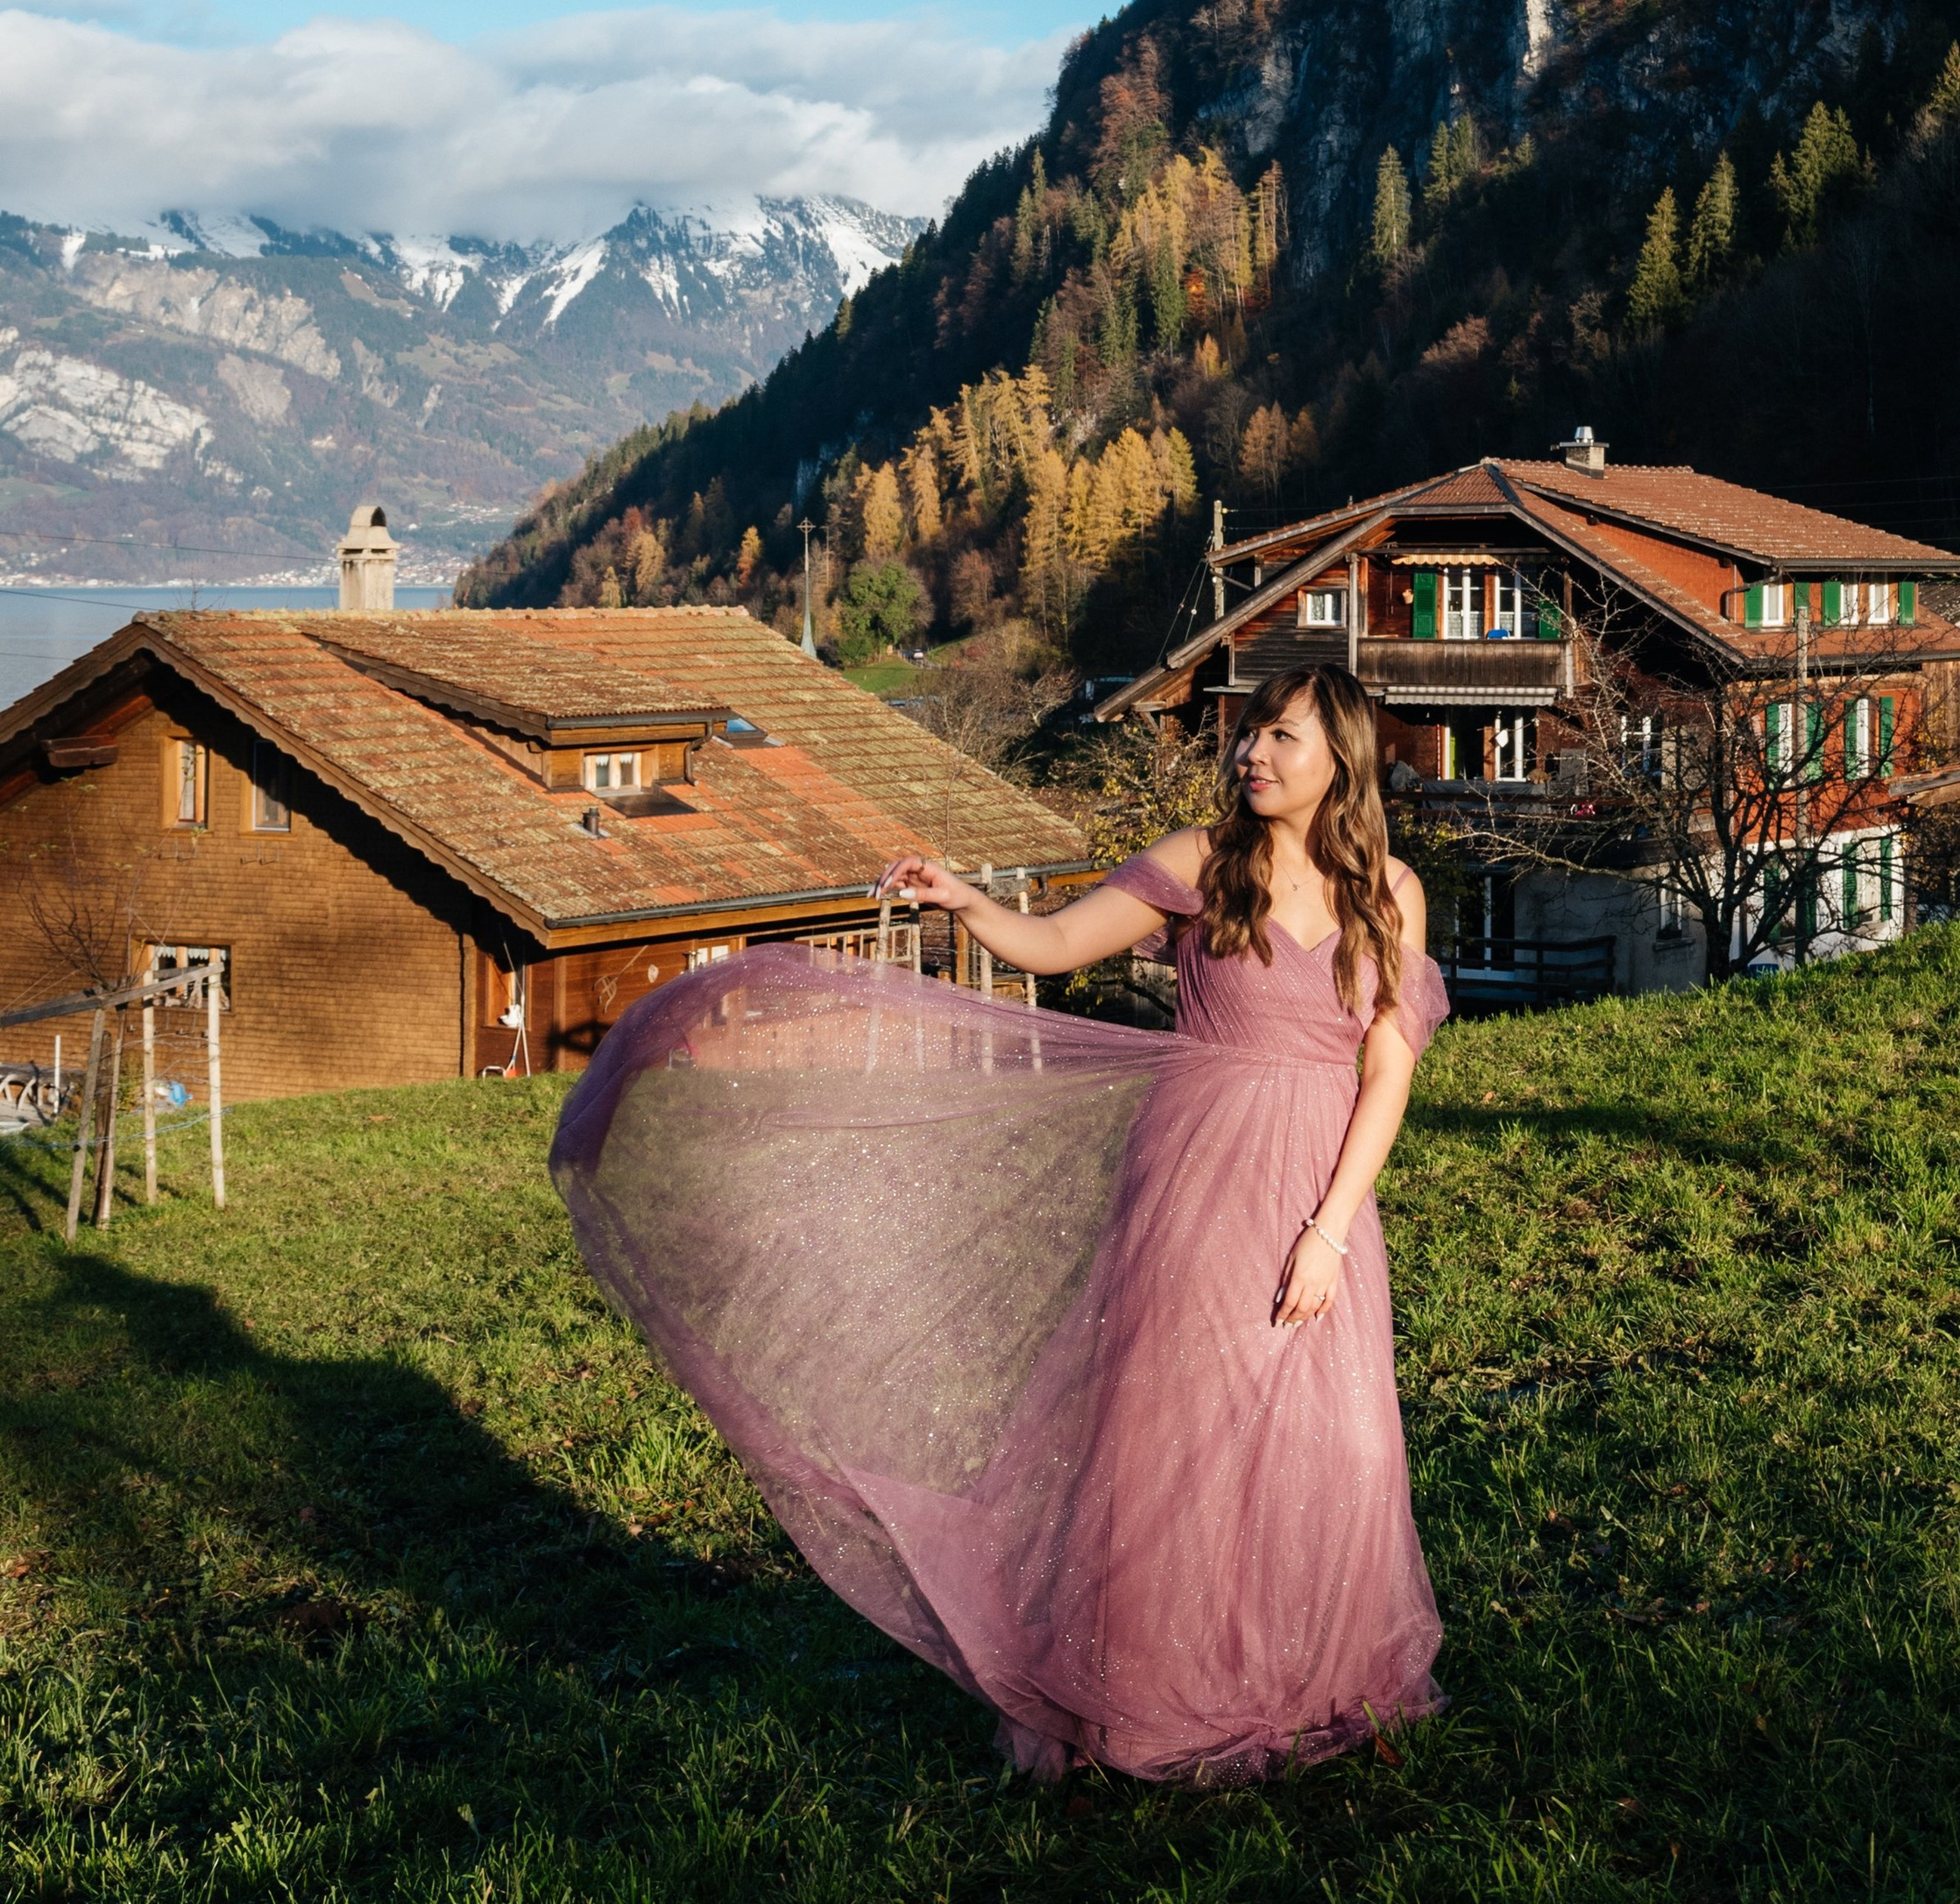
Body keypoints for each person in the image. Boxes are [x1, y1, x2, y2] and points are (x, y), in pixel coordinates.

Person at [550, 667, 1447, 1783]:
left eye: (1281, 736)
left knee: (1325, 1433)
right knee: (1174, 1432)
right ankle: (1160, 1689)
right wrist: (969, 904)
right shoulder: (1198, 864)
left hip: (1323, 1193)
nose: (1251, 753)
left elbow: (1385, 1071)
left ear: (1342, 759)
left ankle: (1304, 1675)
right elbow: (1059, 943)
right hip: (1193, 1182)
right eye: (1250, 733)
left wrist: (1329, 1225)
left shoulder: (1389, 895)